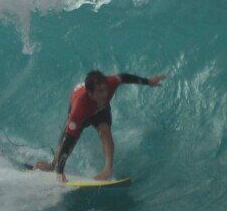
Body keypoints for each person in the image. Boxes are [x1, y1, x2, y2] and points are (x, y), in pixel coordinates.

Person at [32, 69, 167, 181]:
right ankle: (52, 166)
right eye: (100, 91)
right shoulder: (78, 109)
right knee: (66, 145)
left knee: (105, 131)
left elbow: (124, 77)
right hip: (83, 112)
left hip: (100, 110)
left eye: (105, 89)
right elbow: (69, 140)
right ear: (90, 93)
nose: (105, 94)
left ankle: (107, 169)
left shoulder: (110, 83)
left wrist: (149, 81)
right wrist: (60, 172)